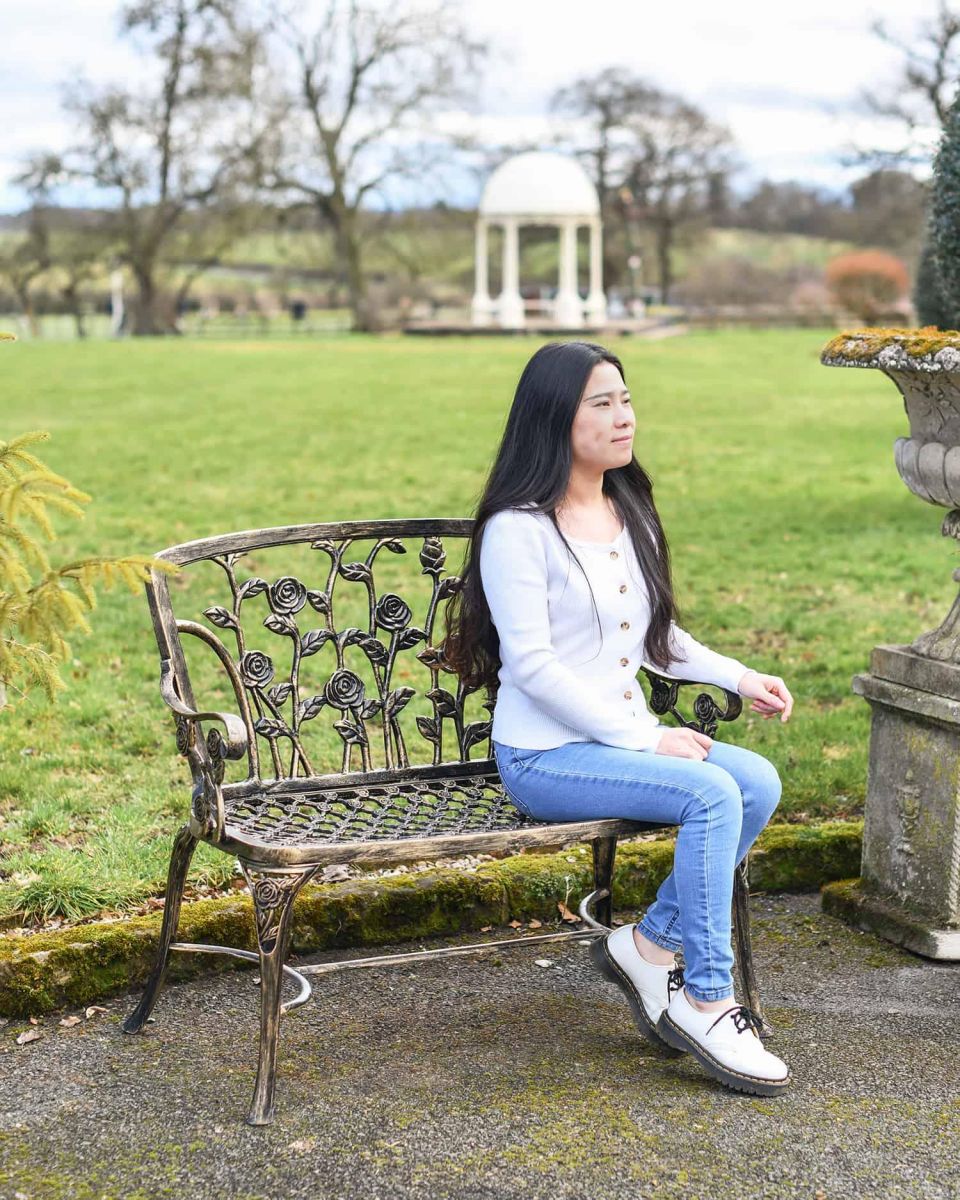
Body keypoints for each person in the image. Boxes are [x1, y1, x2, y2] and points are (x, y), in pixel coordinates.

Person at [442, 340, 795, 1097]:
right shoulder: (519, 528)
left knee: (755, 783)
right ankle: (707, 999)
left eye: (625, 400)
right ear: (554, 420)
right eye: (600, 404)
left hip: (620, 742)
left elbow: (658, 638)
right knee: (708, 792)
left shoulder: (626, 508)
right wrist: (646, 738)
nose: (623, 417)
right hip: (545, 757)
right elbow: (533, 668)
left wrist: (739, 676)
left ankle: (647, 944)